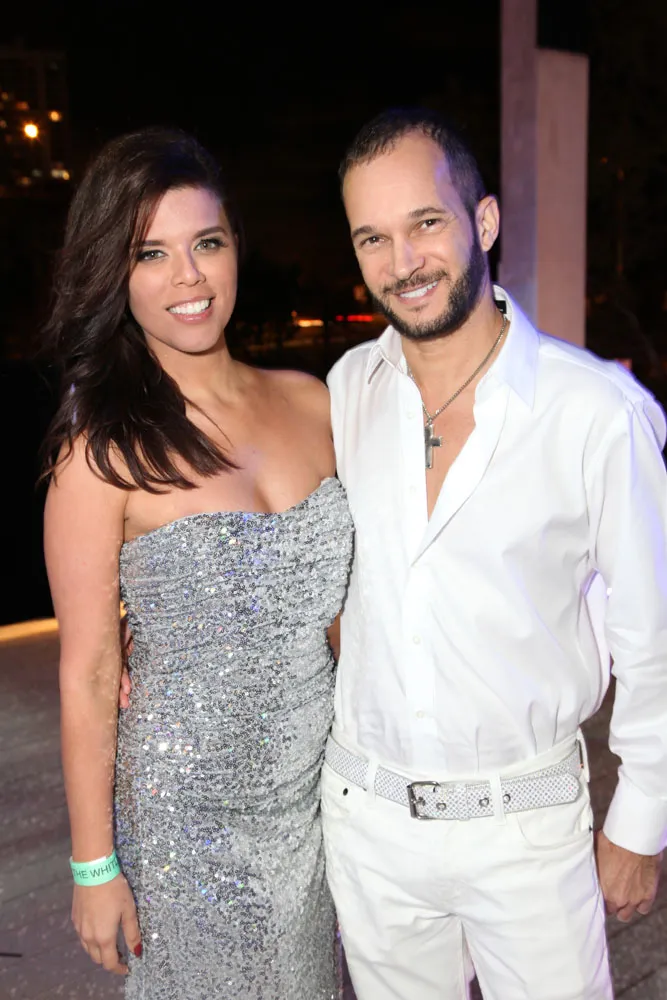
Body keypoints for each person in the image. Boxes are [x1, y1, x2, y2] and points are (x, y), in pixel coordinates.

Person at [320, 108, 667, 1000]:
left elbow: (653, 635)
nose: (402, 261)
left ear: (482, 221)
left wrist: (639, 821)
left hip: (526, 830)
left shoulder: (595, 413)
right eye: (372, 238)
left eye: (425, 223)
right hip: (368, 825)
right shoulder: (346, 389)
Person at [43, 127, 353, 1000]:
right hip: (185, 826)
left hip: (319, 805)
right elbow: (88, 671)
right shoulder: (99, 454)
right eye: (152, 253)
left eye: (206, 243)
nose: (188, 277)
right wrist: (94, 865)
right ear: (116, 273)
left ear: (235, 249)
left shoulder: (313, 403)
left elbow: (350, 617)